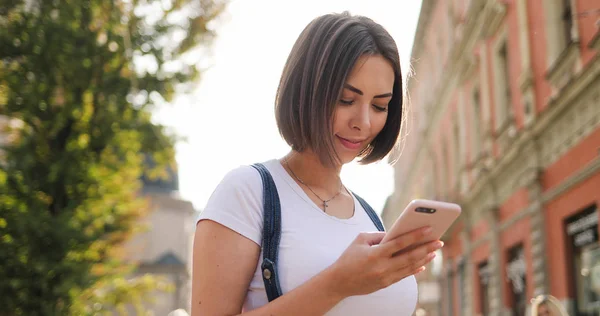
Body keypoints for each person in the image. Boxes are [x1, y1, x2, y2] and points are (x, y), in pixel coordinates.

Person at [192, 12, 443, 316]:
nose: (363, 123)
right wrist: (338, 283)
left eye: (379, 106)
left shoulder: (370, 217)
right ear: (307, 91)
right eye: (345, 100)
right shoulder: (248, 192)